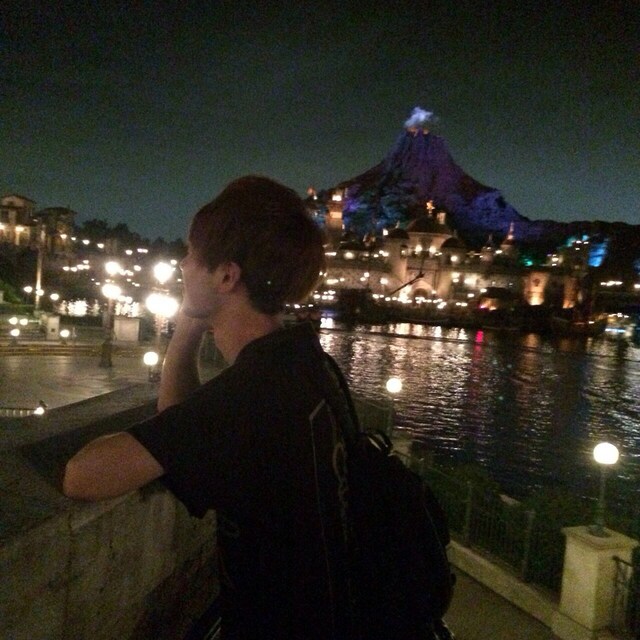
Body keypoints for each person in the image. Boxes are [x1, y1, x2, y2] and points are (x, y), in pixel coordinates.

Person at [63, 176, 354, 639]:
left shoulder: (252, 396)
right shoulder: (305, 364)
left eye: (192, 253)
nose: (181, 263)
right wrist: (190, 322)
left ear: (226, 276)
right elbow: (182, 425)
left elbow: (82, 475)